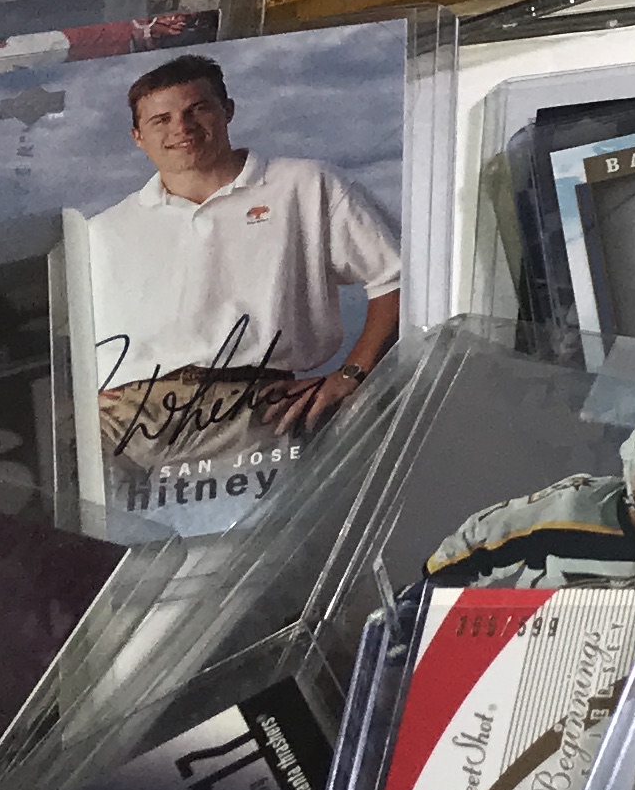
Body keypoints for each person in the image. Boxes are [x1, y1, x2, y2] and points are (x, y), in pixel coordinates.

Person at [81, 52, 402, 482]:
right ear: (138, 137)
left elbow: (397, 277)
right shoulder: (104, 230)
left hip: (251, 408)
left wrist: (352, 374)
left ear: (227, 110)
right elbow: (69, 335)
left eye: (197, 109)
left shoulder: (304, 186)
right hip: (123, 419)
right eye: (161, 120)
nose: (181, 128)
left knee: (264, 526)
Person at [420, 415, 635, 588]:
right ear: (629, 470)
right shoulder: (573, 508)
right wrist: (430, 593)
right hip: (538, 643)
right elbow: (486, 537)